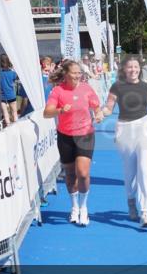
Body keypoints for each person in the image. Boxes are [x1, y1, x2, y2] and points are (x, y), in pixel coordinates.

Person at [101, 55, 147, 229]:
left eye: (136, 67)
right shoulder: (117, 86)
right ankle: (131, 201)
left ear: (140, 68)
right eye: (130, 67)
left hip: (145, 127)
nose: (133, 70)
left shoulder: (146, 86)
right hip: (125, 129)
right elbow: (109, 107)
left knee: (145, 168)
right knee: (130, 171)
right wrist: (101, 113)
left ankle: (145, 212)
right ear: (124, 69)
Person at [43, 60, 103, 226]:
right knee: (70, 174)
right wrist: (60, 110)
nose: (78, 75)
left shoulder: (86, 89)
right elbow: (46, 113)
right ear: (66, 74)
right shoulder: (58, 90)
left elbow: (96, 107)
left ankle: (84, 208)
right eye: (74, 73)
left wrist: (98, 114)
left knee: (82, 173)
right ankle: (74, 207)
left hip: (85, 135)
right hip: (65, 137)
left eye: (79, 73)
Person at [0, 54, 19, 125]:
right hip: (11, 95)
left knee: (5, 113)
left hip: (2, 96)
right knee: (14, 113)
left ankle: (8, 127)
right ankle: (16, 128)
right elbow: (16, 78)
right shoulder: (13, 73)